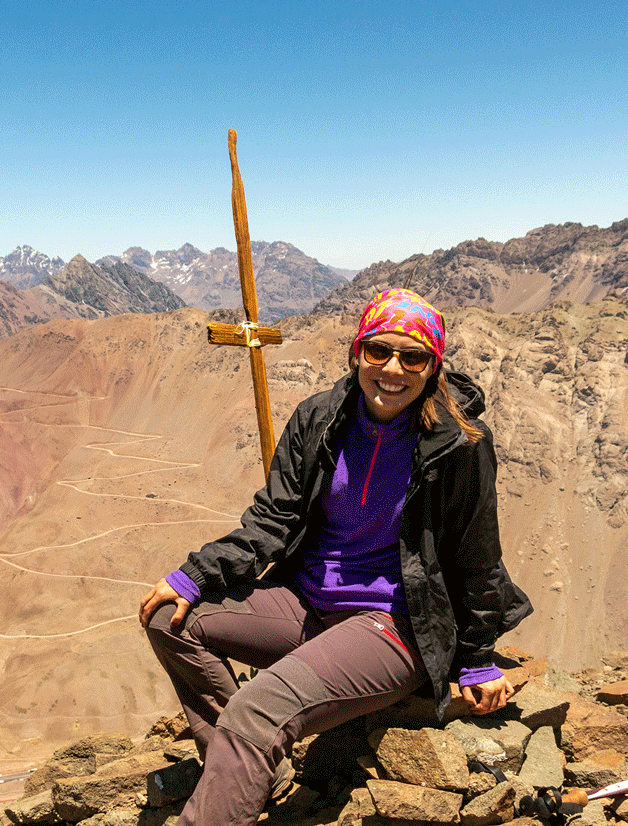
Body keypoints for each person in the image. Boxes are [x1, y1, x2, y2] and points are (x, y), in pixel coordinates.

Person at [138, 287, 532, 826]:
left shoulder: (458, 443)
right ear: (357, 352)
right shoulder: (320, 418)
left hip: (393, 624)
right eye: (379, 351)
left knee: (258, 709)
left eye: (413, 357)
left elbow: (476, 554)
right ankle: (243, 771)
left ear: (433, 366)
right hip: (307, 602)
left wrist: (476, 655)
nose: (393, 368)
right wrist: (196, 574)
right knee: (168, 619)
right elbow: (273, 519)